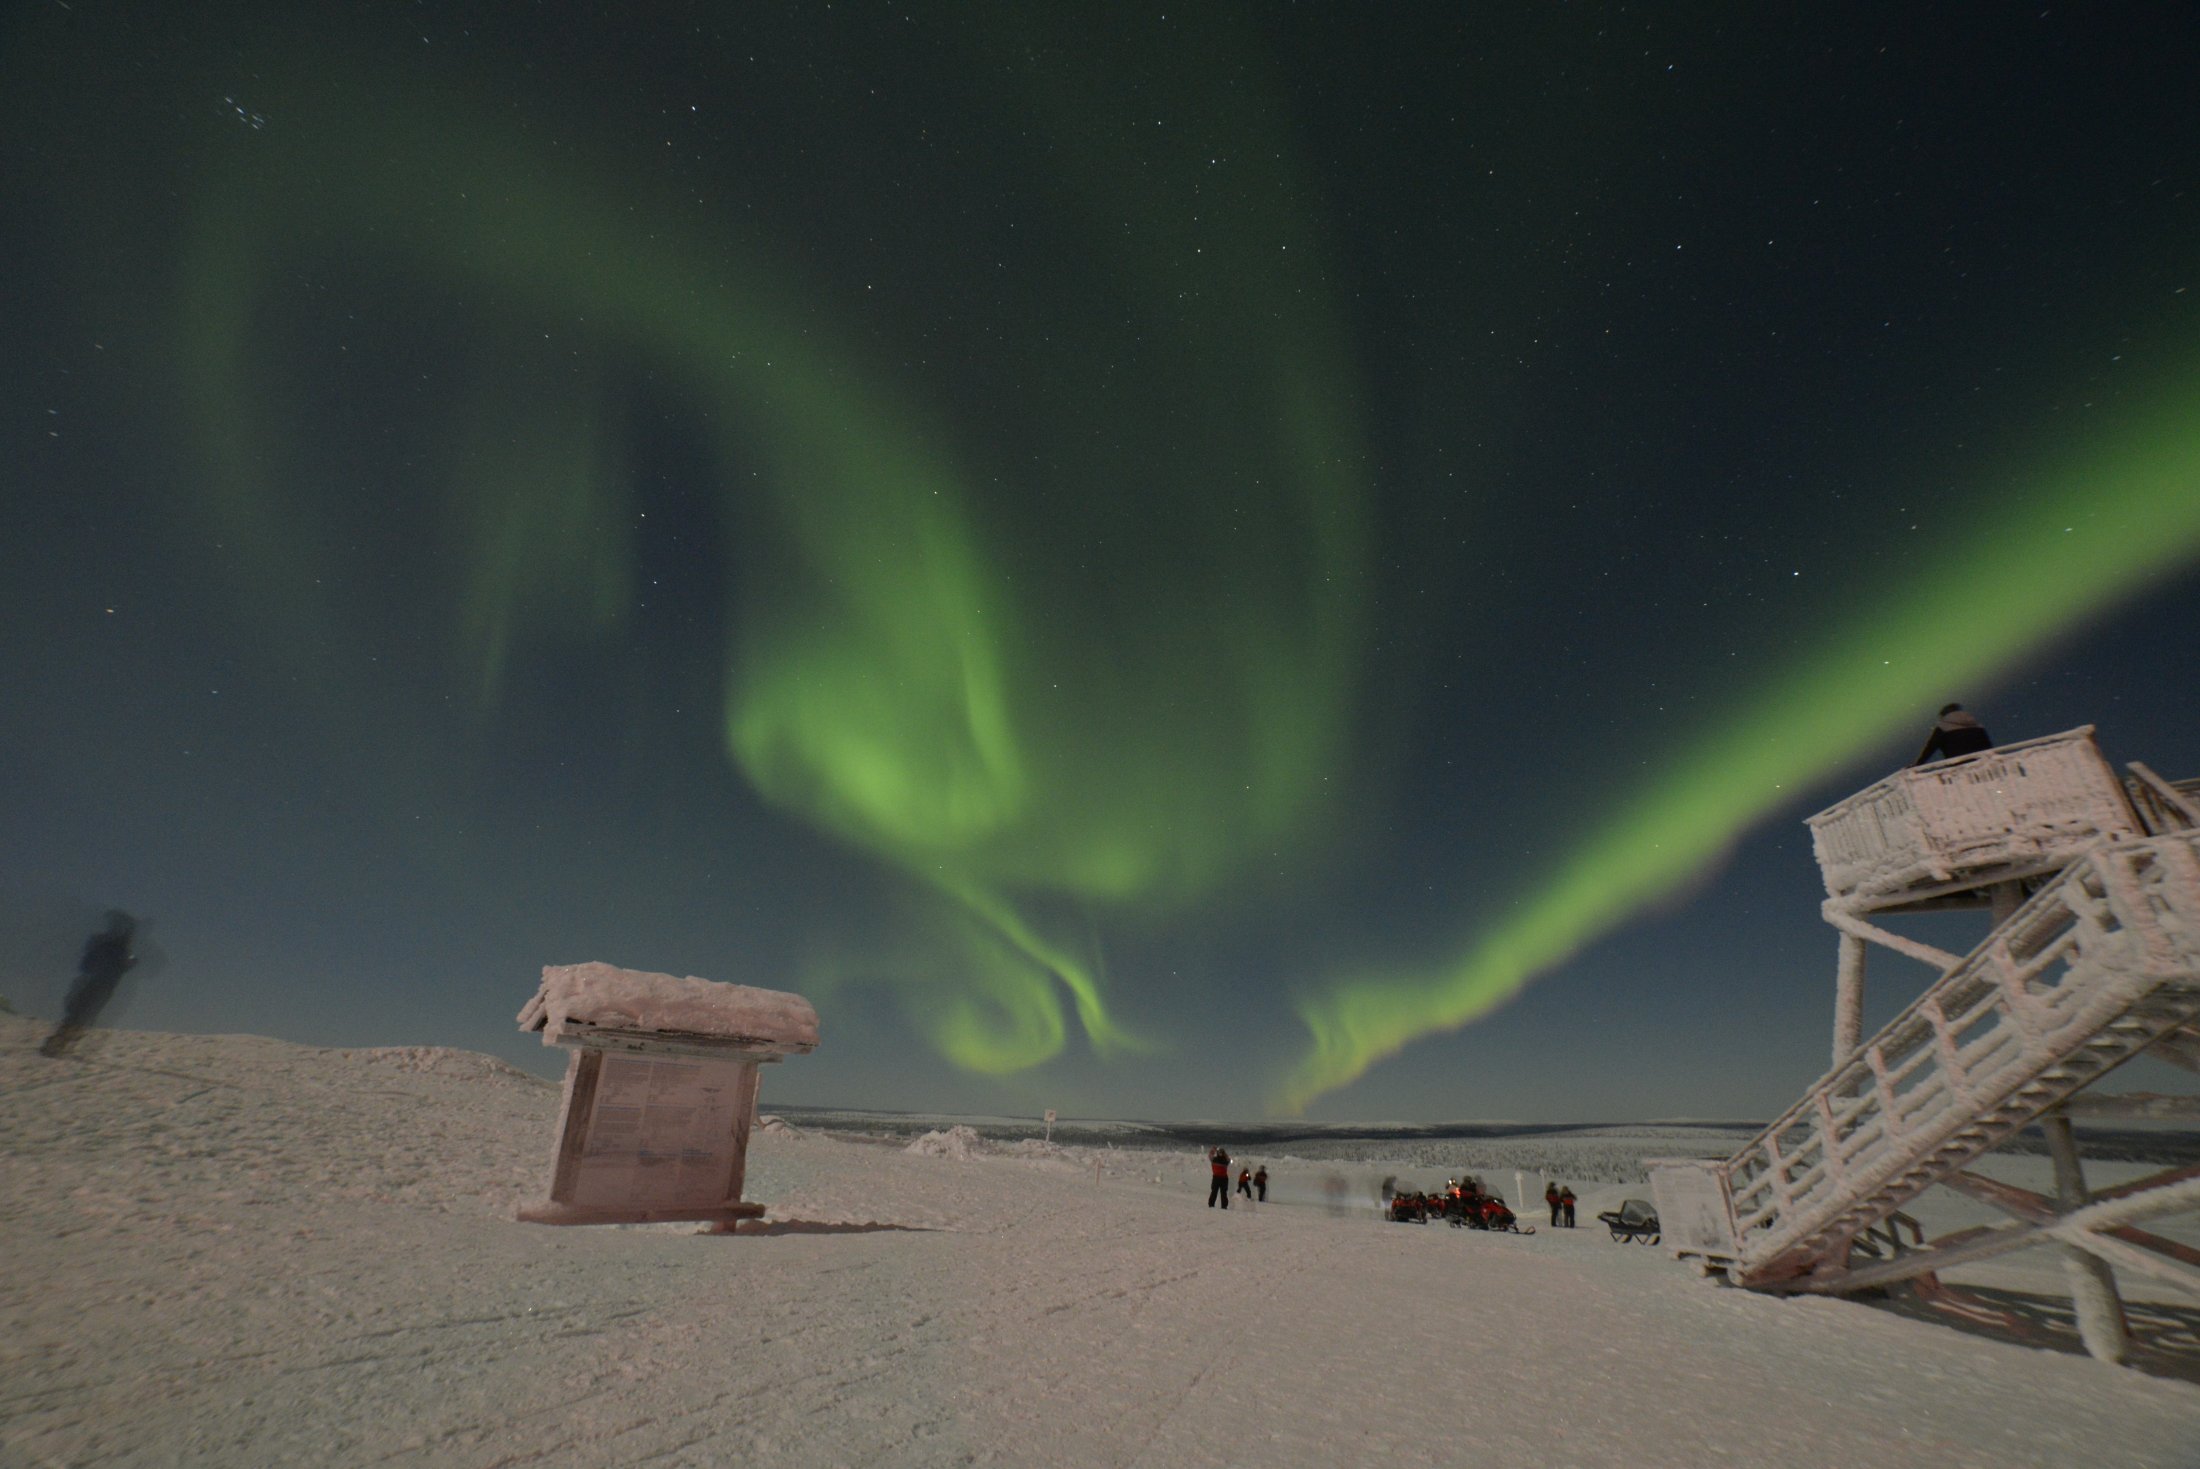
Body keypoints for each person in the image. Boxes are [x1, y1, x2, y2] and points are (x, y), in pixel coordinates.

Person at [40, 911, 138, 1059]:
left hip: (94, 984)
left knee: (79, 1013)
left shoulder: (107, 945)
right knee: (82, 1014)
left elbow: (86, 965)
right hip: (101, 986)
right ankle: (61, 1045)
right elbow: (115, 966)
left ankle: (60, 1044)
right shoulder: (119, 949)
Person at [1913, 703, 1993, 765]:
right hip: (1982, 763)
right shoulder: (1976, 725)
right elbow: (1988, 745)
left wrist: (1917, 764)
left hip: (1959, 767)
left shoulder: (1943, 727)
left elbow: (1930, 748)